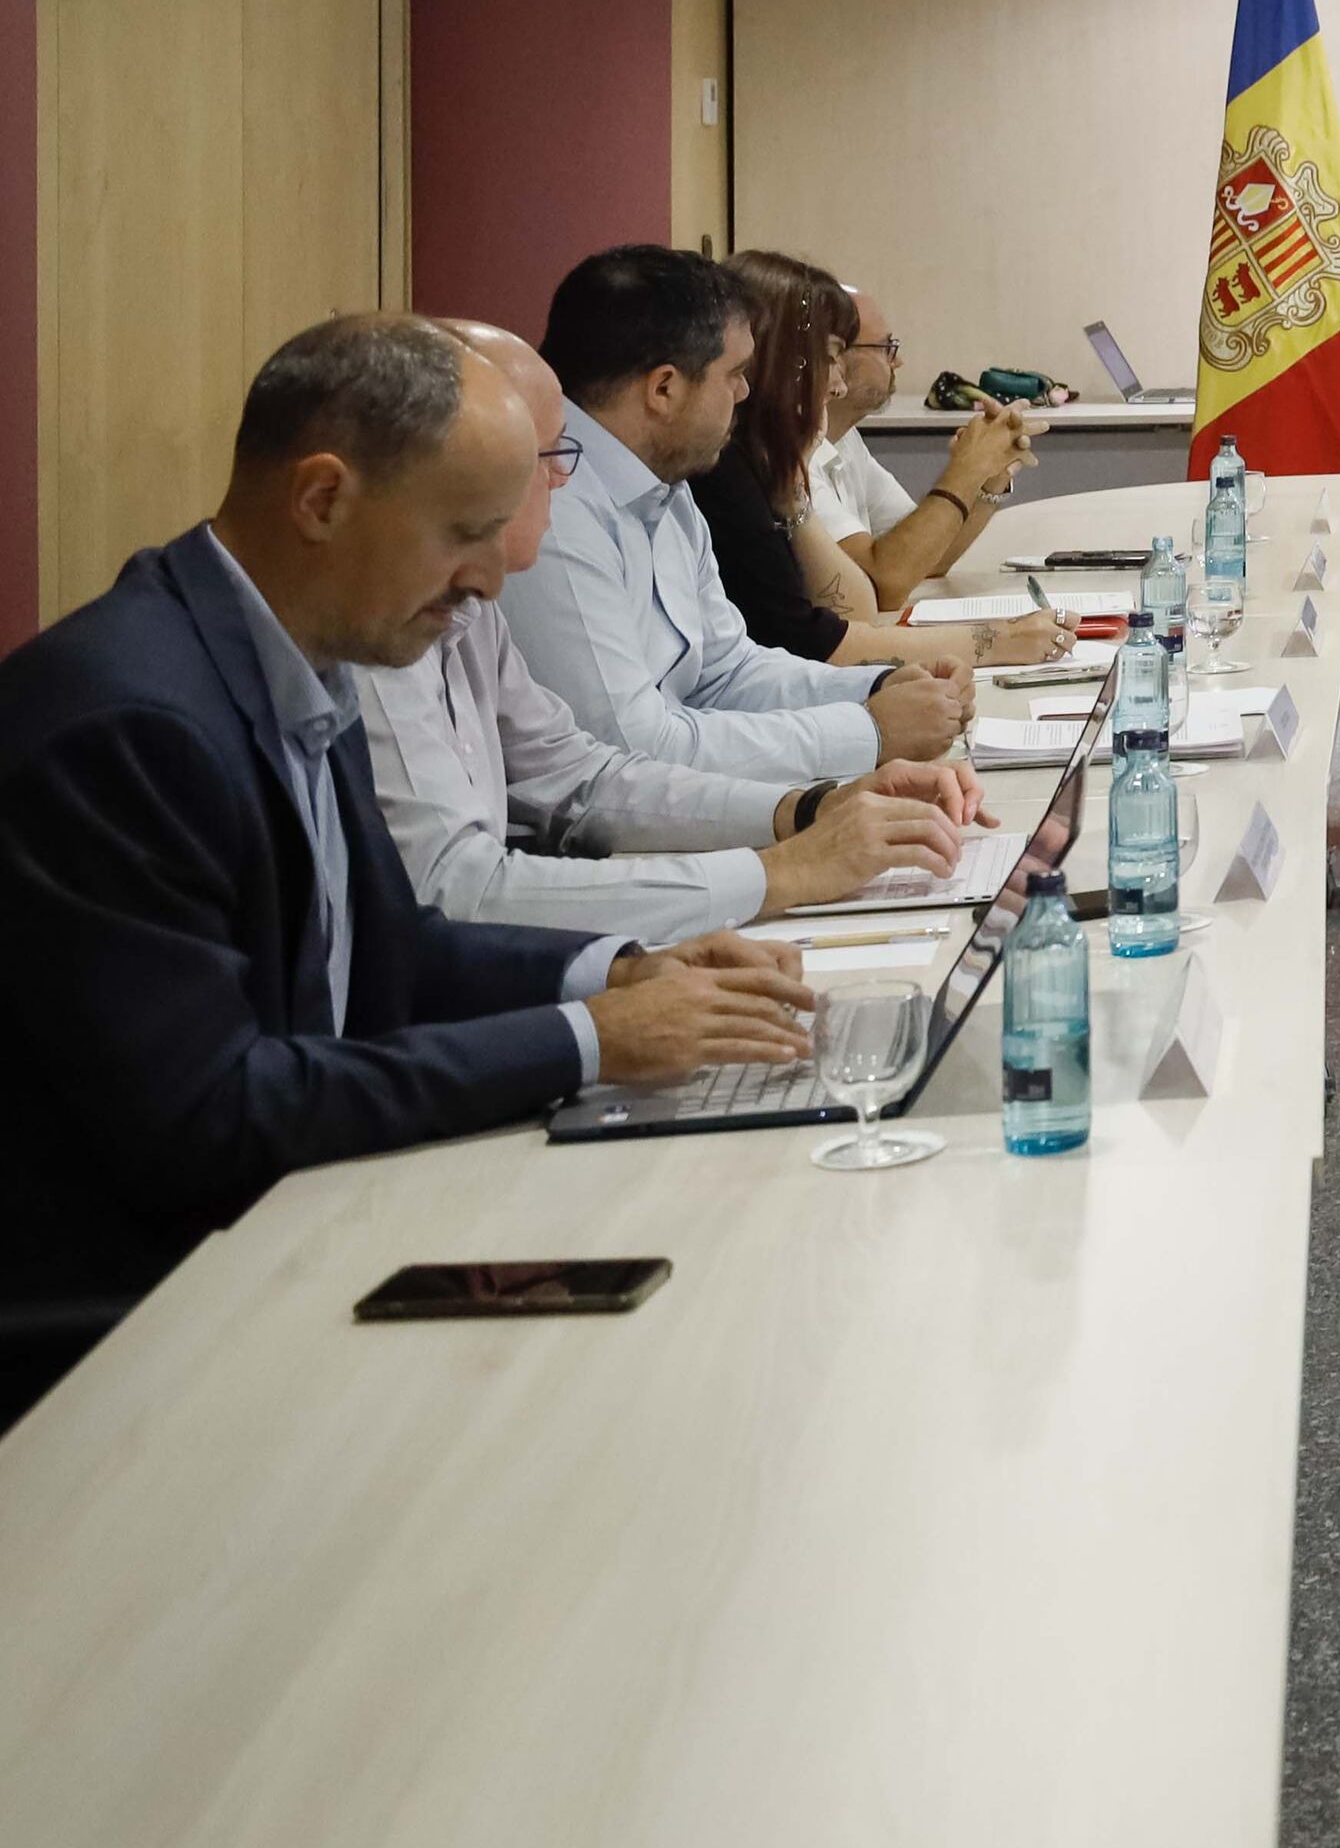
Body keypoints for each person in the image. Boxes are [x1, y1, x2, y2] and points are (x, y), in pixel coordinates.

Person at [0, 316, 820, 1412]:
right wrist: (586, 1042)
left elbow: (388, 953)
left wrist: (611, 977)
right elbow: (213, 1117)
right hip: (143, 1332)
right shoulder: (129, 723)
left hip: (297, 1228)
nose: (492, 578)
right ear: (323, 499)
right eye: (464, 533)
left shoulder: (298, 654)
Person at [358, 328, 989, 947]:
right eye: (546, 459)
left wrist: (811, 809)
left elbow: (578, 773)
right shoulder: (394, 610)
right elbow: (454, 891)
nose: (746, 393)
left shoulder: (468, 580)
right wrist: (783, 868)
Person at [508, 245, 973, 776]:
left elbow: (728, 672)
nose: (746, 391)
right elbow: (630, 747)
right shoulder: (556, 506)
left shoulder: (665, 483)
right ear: (664, 389)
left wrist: (882, 684)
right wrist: (868, 731)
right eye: (734, 373)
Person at [693, 256, 1062, 672]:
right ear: (784, 365)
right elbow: (864, 603)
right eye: (832, 356)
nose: (838, 382)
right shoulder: (723, 473)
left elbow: (895, 582)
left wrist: (985, 480)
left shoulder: (782, 464)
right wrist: (1001, 640)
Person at [778, 258, 1041, 615]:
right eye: (886, 347)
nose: (897, 361)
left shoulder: (846, 440)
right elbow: (885, 583)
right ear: (833, 355)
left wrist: (987, 478)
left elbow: (929, 558)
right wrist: (964, 469)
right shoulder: (792, 455)